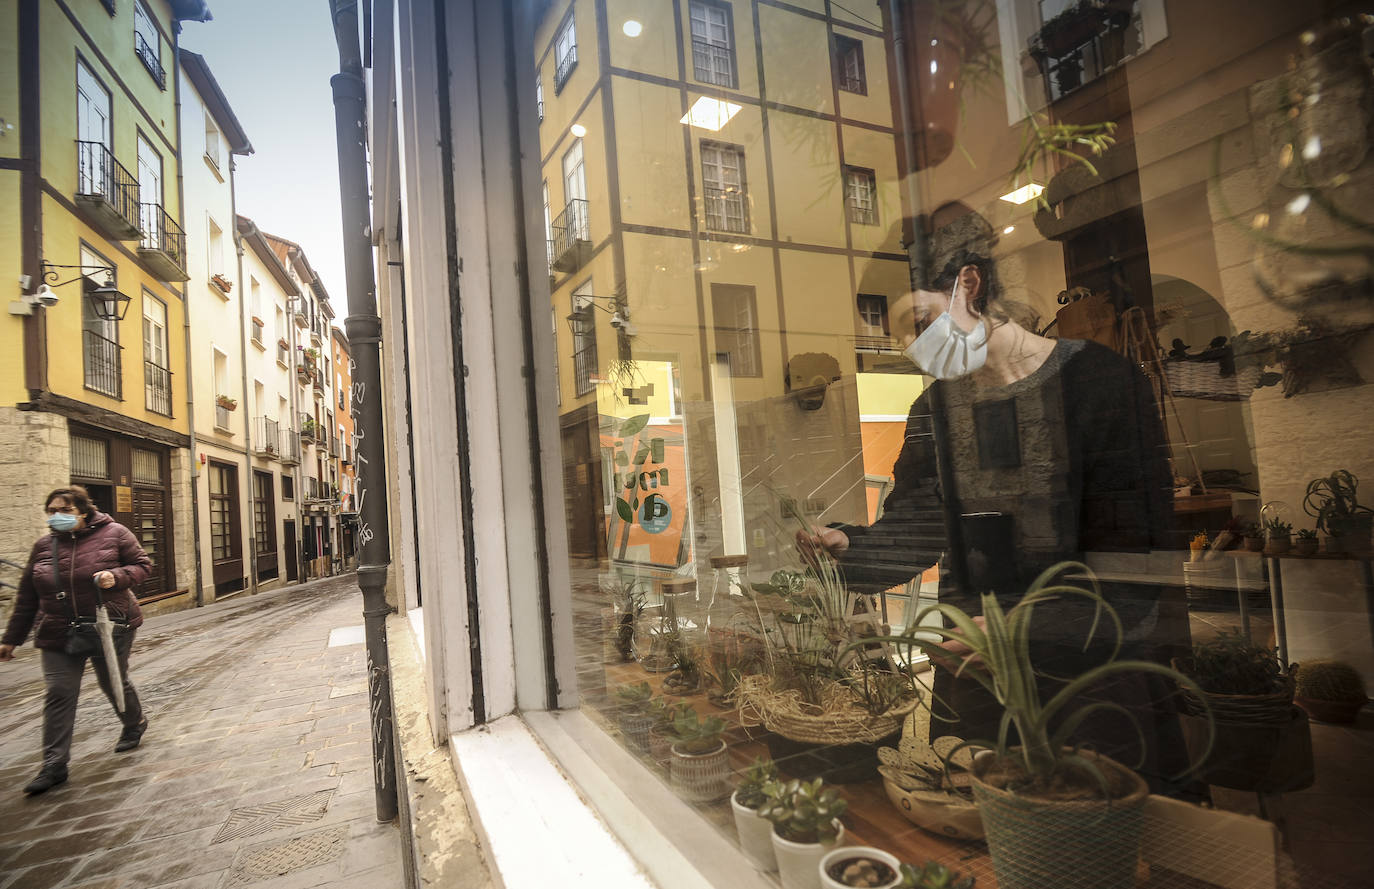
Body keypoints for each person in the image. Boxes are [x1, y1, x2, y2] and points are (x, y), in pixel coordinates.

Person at [798, 215, 1189, 789]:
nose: (913, 346)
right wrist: (851, 548)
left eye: (920, 322)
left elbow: (1136, 550)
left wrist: (1021, 627)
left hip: (1090, 675)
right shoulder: (935, 409)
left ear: (970, 286)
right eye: (903, 334)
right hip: (977, 679)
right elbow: (921, 520)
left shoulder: (1100, 382)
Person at [0, 485, 151, 795]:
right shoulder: (43, 546)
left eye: (64, 510)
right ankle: (54, 765)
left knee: (113, 681)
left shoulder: (115, 533)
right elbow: (28, 596)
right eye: (52, 511)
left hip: (109, 624)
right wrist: (11, 638)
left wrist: (116, 577)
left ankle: (134, 723)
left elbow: (143, 566)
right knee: (59, 692)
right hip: (57, 629)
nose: (57, 516)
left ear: (83, 511)